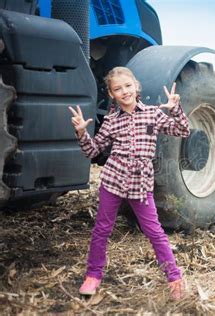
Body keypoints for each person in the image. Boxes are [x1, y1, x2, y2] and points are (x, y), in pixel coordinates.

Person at [68, 66, 190, 300]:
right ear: (111, 94)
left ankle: (174, 277)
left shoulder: (153, 114)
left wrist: (176, 109)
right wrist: (82, 134)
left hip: (140, 183)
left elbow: (182, 130)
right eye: (117, 89)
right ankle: (93, 276)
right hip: (113, 180)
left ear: (136, 87)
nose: (124, 91)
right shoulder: (111, 121)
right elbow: (93, 152)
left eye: (127, 86)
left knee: (154, 231)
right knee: (102, 229)